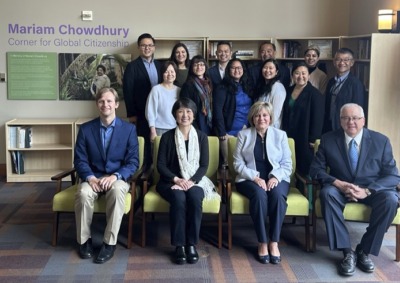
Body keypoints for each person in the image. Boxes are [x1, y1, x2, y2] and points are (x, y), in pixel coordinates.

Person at [309, 103, 400, 276]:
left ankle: (363, 251)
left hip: (371, 189)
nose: (351, 122)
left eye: (355, 118)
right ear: (340, 121)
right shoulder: (328, 140)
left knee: (391, 200)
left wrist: (368, 191)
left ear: (363, 120)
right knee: (327, 193)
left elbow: (393, 176)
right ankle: (346, 252)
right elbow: (315, 170)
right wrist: (338, 183)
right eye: (346, 118)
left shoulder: (381, 141)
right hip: (341, 187)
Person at [74, 87, 139, 264]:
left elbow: (133, 162)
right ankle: (84, 241)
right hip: (93, 176)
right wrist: (90, 178)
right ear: (97, 104)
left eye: (109, 101)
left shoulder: (128, 130)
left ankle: (109, 243)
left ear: (116, 104)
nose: (106, 104)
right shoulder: (86, 129)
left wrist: (116, 176)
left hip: (117, 178)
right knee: (83, 193)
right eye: (102, 101)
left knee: (118, 192)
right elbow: (79, 160)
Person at [156, 97, 220, 265]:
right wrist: (176, 180)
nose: (185, 115)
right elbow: (161, 165)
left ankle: (191, 244)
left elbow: (204, 165)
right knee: (178, 199)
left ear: (194, 114)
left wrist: (191, 181)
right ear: (175, 115)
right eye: (180, 111)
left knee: (195, 197)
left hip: (195, 181)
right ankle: (179, 246)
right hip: (169, 181)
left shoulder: (201, 137)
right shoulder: (167, 137)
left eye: (188, 111)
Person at [233, 101, 292, 265]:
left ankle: (274, 242)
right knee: (259, 196)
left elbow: (287, 165)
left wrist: (275, 177)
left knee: (278, 196)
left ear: (270, 117)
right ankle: (262, 241)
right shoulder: (243, 135)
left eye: (265, 115)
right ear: (252, 118)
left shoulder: (280, 135)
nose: (261, 118)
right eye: (257, 115)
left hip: (276, 177)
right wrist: (255, 177)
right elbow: (238, 164)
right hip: (250, 179)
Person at [123, 33, 162, 170]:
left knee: (158, 142)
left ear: (154, 47)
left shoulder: (160, 65)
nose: (147, 48)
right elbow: (127, 91)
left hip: (159, 112)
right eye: (144, 45)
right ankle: (144, 173)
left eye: (150, 45)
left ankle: (158, 170)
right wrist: (131, 114)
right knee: (144, 142)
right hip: (141, 112)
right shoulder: (132, 67)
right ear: (139, 47)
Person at [281, 62, 324, 176]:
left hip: (304, 137)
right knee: (287, 165)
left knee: (302, 169)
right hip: (287, 135)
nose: (300, 77)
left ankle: (304, 193)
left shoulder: (315, 95)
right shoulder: (287, 91)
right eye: (297, 73)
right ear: (292, 75)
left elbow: (318, 119)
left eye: (304, 73)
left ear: (309, 75)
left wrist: (313, 139)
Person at [213, 58, 253, 166]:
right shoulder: (222, 87)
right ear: (228, 70)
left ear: (243, 69)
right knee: (228, 164)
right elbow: (217, 110)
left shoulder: (247, 86)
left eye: (239, 68)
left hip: (246, 130)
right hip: (228, 132)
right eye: (233, 68)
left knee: (244, 164)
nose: (236, 70)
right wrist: (222, 132)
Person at [323, 47, 365, 133]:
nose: (342, 63)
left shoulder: (356, 84)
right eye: (338, 59)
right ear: (334, 62)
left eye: (346, 60)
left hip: (346, 127)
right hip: (329, 125)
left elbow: (358, 109)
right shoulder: (331, 81)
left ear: (352, 62)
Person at [145, 60, 180, 142]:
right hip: (159, 129)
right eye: (166, 72)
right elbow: (150, 112)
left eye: (172, 71)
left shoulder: (179, 90)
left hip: (176, 128)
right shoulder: (156, 89)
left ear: (176, 73)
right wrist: (153, 131)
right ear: (162, 73)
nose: (170, 74)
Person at [180, 55, 213, 135]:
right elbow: (185, 107)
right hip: (196, 122)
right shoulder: (188, 85)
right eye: (195, 65)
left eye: (201, 64)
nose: (199, 67)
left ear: (205, 67)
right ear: (191, 68)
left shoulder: (209, 83)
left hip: (208, 121)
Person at [254, 59, 286, 129]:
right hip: (261, 126)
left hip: (271, 128)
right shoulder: (262, 86)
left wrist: (266, 128)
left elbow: (275, 114)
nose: (267, 70)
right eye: (265, 68)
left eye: (271, 68)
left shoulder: (278, 87)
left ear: (276, 72)